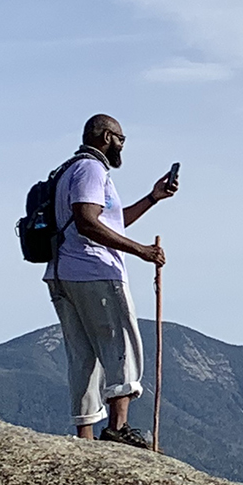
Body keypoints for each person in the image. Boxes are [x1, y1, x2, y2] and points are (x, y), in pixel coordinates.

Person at [45, 114, 177, 446]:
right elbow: (87, 222)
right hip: (95, 272)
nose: (122, 146)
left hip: (63, 274)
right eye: (121, 139)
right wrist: (141, 251)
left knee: (83, 355)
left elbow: (109, 223)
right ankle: (118, 429)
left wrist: (152, 198)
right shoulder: (91, 169)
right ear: (107, 137)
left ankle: (85, 436)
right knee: (120, 345)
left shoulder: (68, 171)